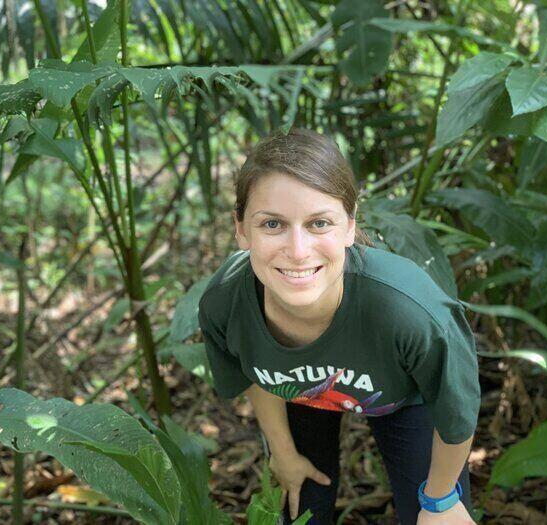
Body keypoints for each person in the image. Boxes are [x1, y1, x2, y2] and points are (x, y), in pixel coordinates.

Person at [197, 128, 480, 525]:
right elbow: (253, 373)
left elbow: (458, 412)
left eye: (319, 223)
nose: (297, 252)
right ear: (241, 229)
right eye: (272, 225)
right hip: (302, 393)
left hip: (404, 397)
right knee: (300, 510)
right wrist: (283, 454)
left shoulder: (409, 310)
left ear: (349, 226)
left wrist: (440, 501)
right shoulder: (225, 302)